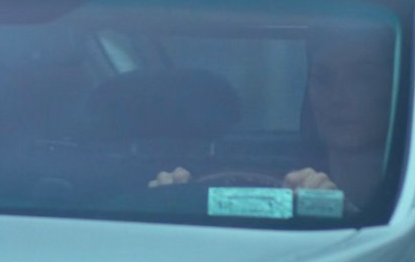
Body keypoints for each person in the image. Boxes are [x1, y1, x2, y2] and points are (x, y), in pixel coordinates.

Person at [149, 27, 395, 214]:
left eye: (363, 78)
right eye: (322, 77)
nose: (337, 97)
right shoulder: (290, 183)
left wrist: (342, 212)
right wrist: (176, 199)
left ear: (398, 87)